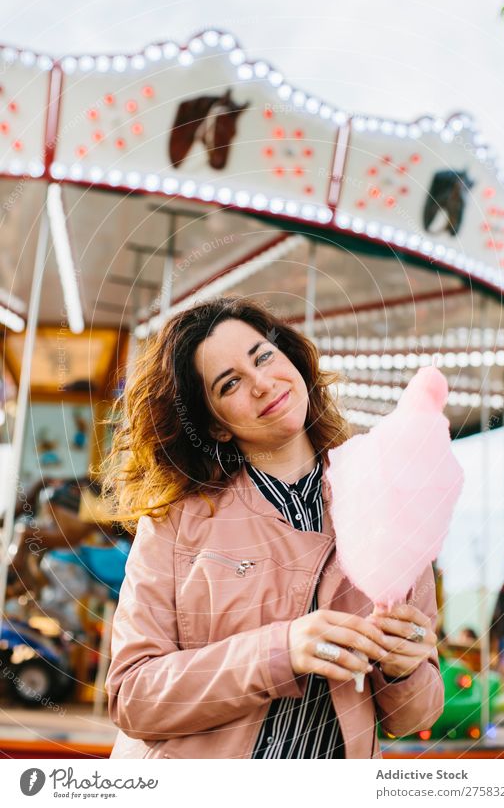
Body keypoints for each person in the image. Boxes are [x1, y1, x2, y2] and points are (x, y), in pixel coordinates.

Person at [103, 296, 443, 759]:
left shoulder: (389, 502)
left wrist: (406, 669)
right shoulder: (176, 524)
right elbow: (133, 697)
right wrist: (279, 651)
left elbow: (413, 718)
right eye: (230, 385)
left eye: (263, 356)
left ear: (292, 361)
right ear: (217, 426)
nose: (262, 383)